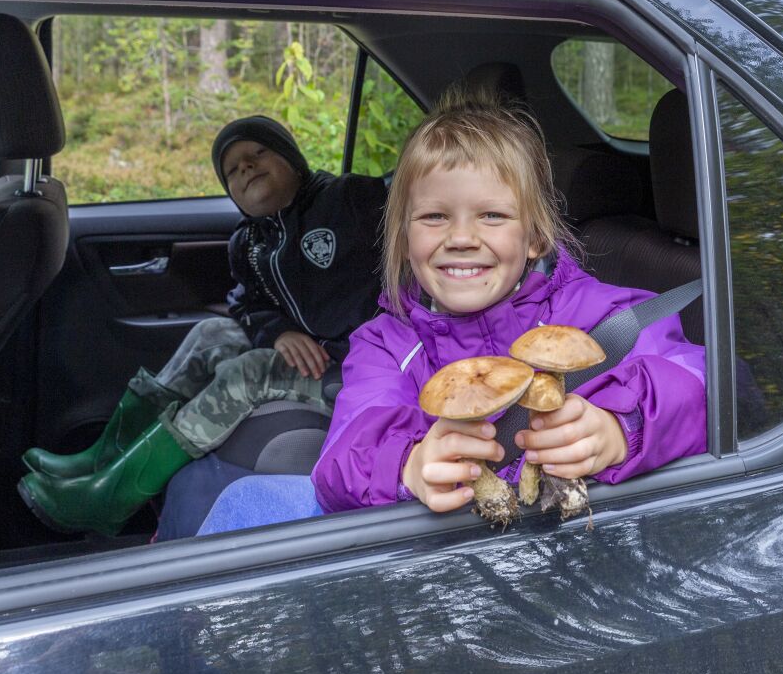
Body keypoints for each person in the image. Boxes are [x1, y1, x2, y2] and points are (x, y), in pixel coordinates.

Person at [196, 91, 706, 533]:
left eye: (492, 215)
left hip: (571, 550)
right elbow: (343, 454)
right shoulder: (385, 344)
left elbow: (705, 385)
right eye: (435, 216)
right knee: (242, 507)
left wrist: (623, 430)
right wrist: (408, 464)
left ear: (534, 236)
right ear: (405, 237)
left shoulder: (603, 317)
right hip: (448, 562)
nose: (461, 238)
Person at [18, 115, 387, 537]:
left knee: (248, 372)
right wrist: (278, 331)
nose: (245, 167)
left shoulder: (348, 198)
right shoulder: (249, 243)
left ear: (292, 158)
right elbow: (247, 305)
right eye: (232, 169)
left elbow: (405, 217)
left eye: (258, 153)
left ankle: (111, 498)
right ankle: (108, 457)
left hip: (361, 368)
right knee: (210, 334)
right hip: (313, 355)